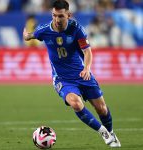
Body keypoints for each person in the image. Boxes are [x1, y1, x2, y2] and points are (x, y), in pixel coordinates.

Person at [23, 0, 121, 147]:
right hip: (62, 79)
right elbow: (30, 36)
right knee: (76, 103)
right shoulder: (44, 30)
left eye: (61, 16)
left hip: (82, 74)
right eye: (54, 15)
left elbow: (87, 51)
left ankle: (111, 132)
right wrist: (26, 34)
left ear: (68, 15)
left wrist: (87, 68)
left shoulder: (76, 29)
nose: (57, 19)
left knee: (101, 108)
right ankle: (103, 132)